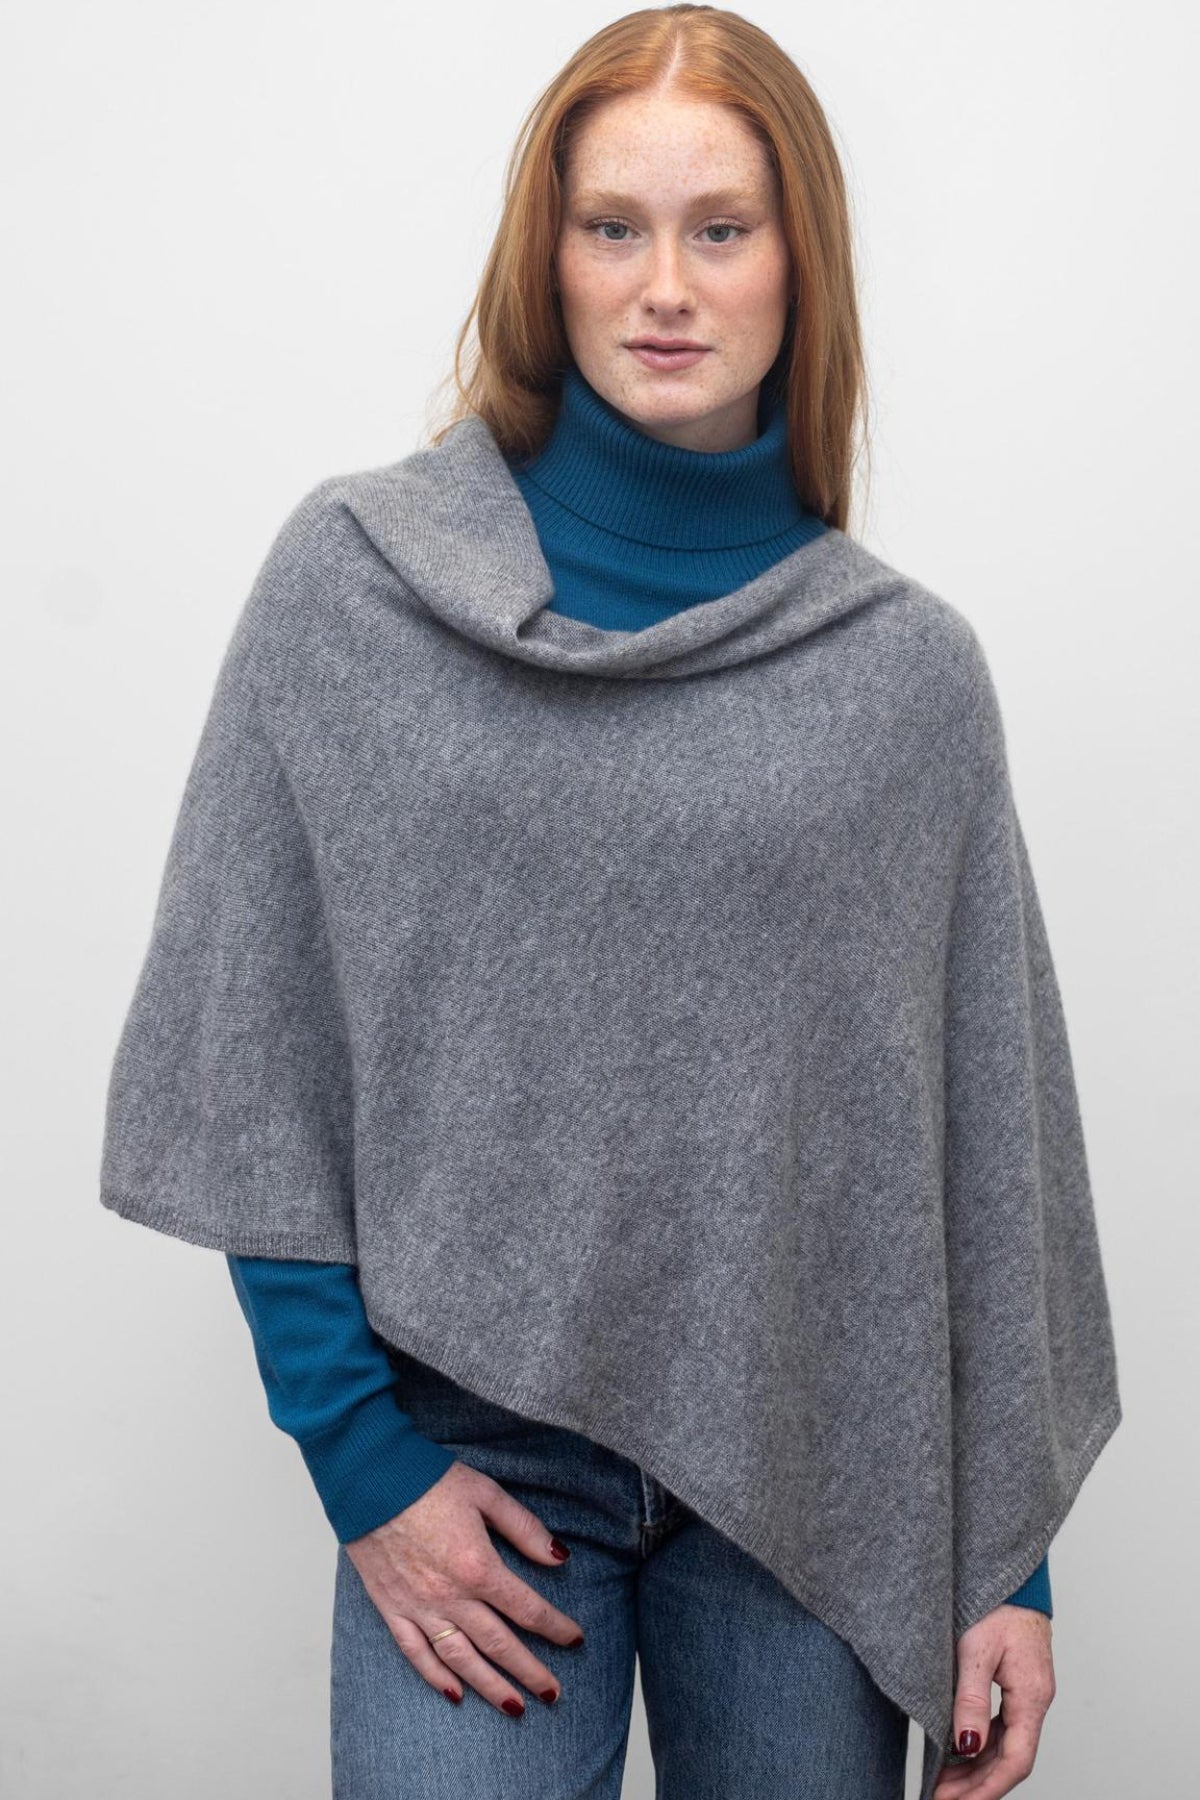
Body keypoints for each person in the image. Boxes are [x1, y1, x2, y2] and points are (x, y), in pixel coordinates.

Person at [99, 8, 1121, 1800]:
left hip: (812, 1483)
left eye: (721, 228)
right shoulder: (358, 586)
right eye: (611, 226)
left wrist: (1004, 1567)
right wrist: (364, 1468)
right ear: (547, 255)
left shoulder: (904, 679)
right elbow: (251, 1058)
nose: (664, 286)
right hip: (469, 1460)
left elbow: (981, 1149)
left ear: (801, 261)